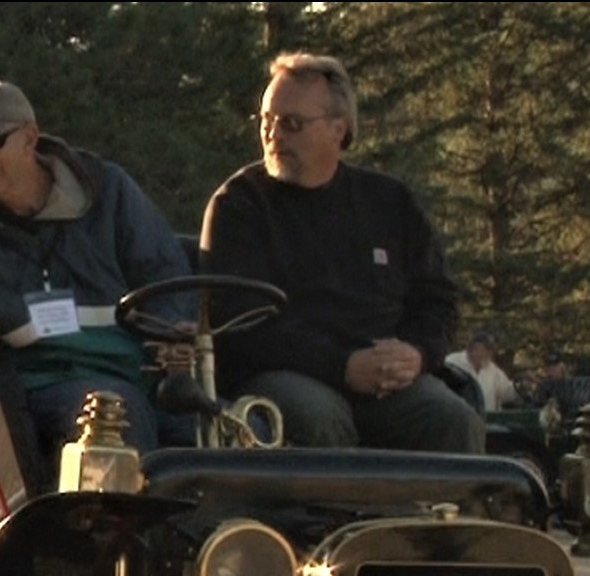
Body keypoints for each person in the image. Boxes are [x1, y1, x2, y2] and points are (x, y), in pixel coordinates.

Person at [0, 79, 196, 480]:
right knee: (116, 420)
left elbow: (167, 277)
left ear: (30, 138)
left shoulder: (109, 193)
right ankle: (125, 541)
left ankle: (240, 543)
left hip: (136, 372)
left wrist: (173, 334)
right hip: (30, 387)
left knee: (238, 431)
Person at [199, 52, 483, 454]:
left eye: (292, 124)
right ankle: (344, 518)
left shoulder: (389, 204)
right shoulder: (240, 207)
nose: (274, 136)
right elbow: (236, 325)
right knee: (318, 418)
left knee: (453, 420)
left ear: (339, 129)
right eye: (266, 122)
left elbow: (436, 300)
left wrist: (416, 354)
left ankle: (449, 518)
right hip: (287, 375)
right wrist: (341, 366)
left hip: (386, 381)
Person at [443, 330, 521, 413]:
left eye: (490, 350)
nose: (488, 353)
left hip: (487, 421)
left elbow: (507, 392)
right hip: (457, 418)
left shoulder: (493, 370)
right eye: (485, 349)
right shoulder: (452, 362)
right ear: (472, 348)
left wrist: (520, 387)